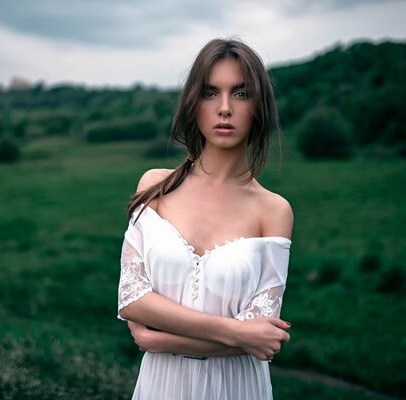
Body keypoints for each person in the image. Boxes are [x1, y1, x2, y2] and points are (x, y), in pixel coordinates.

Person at [117, 38, 294, 400]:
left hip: (239, 388)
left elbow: (264, 335)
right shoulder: (155, 187)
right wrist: (238, 334)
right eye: (211, 93)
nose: (225, 108)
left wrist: (159, 338)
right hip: (160, 387)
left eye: (241, 94)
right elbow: (132, 300)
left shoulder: (274, 211)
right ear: (193, 103)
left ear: (259, 106)